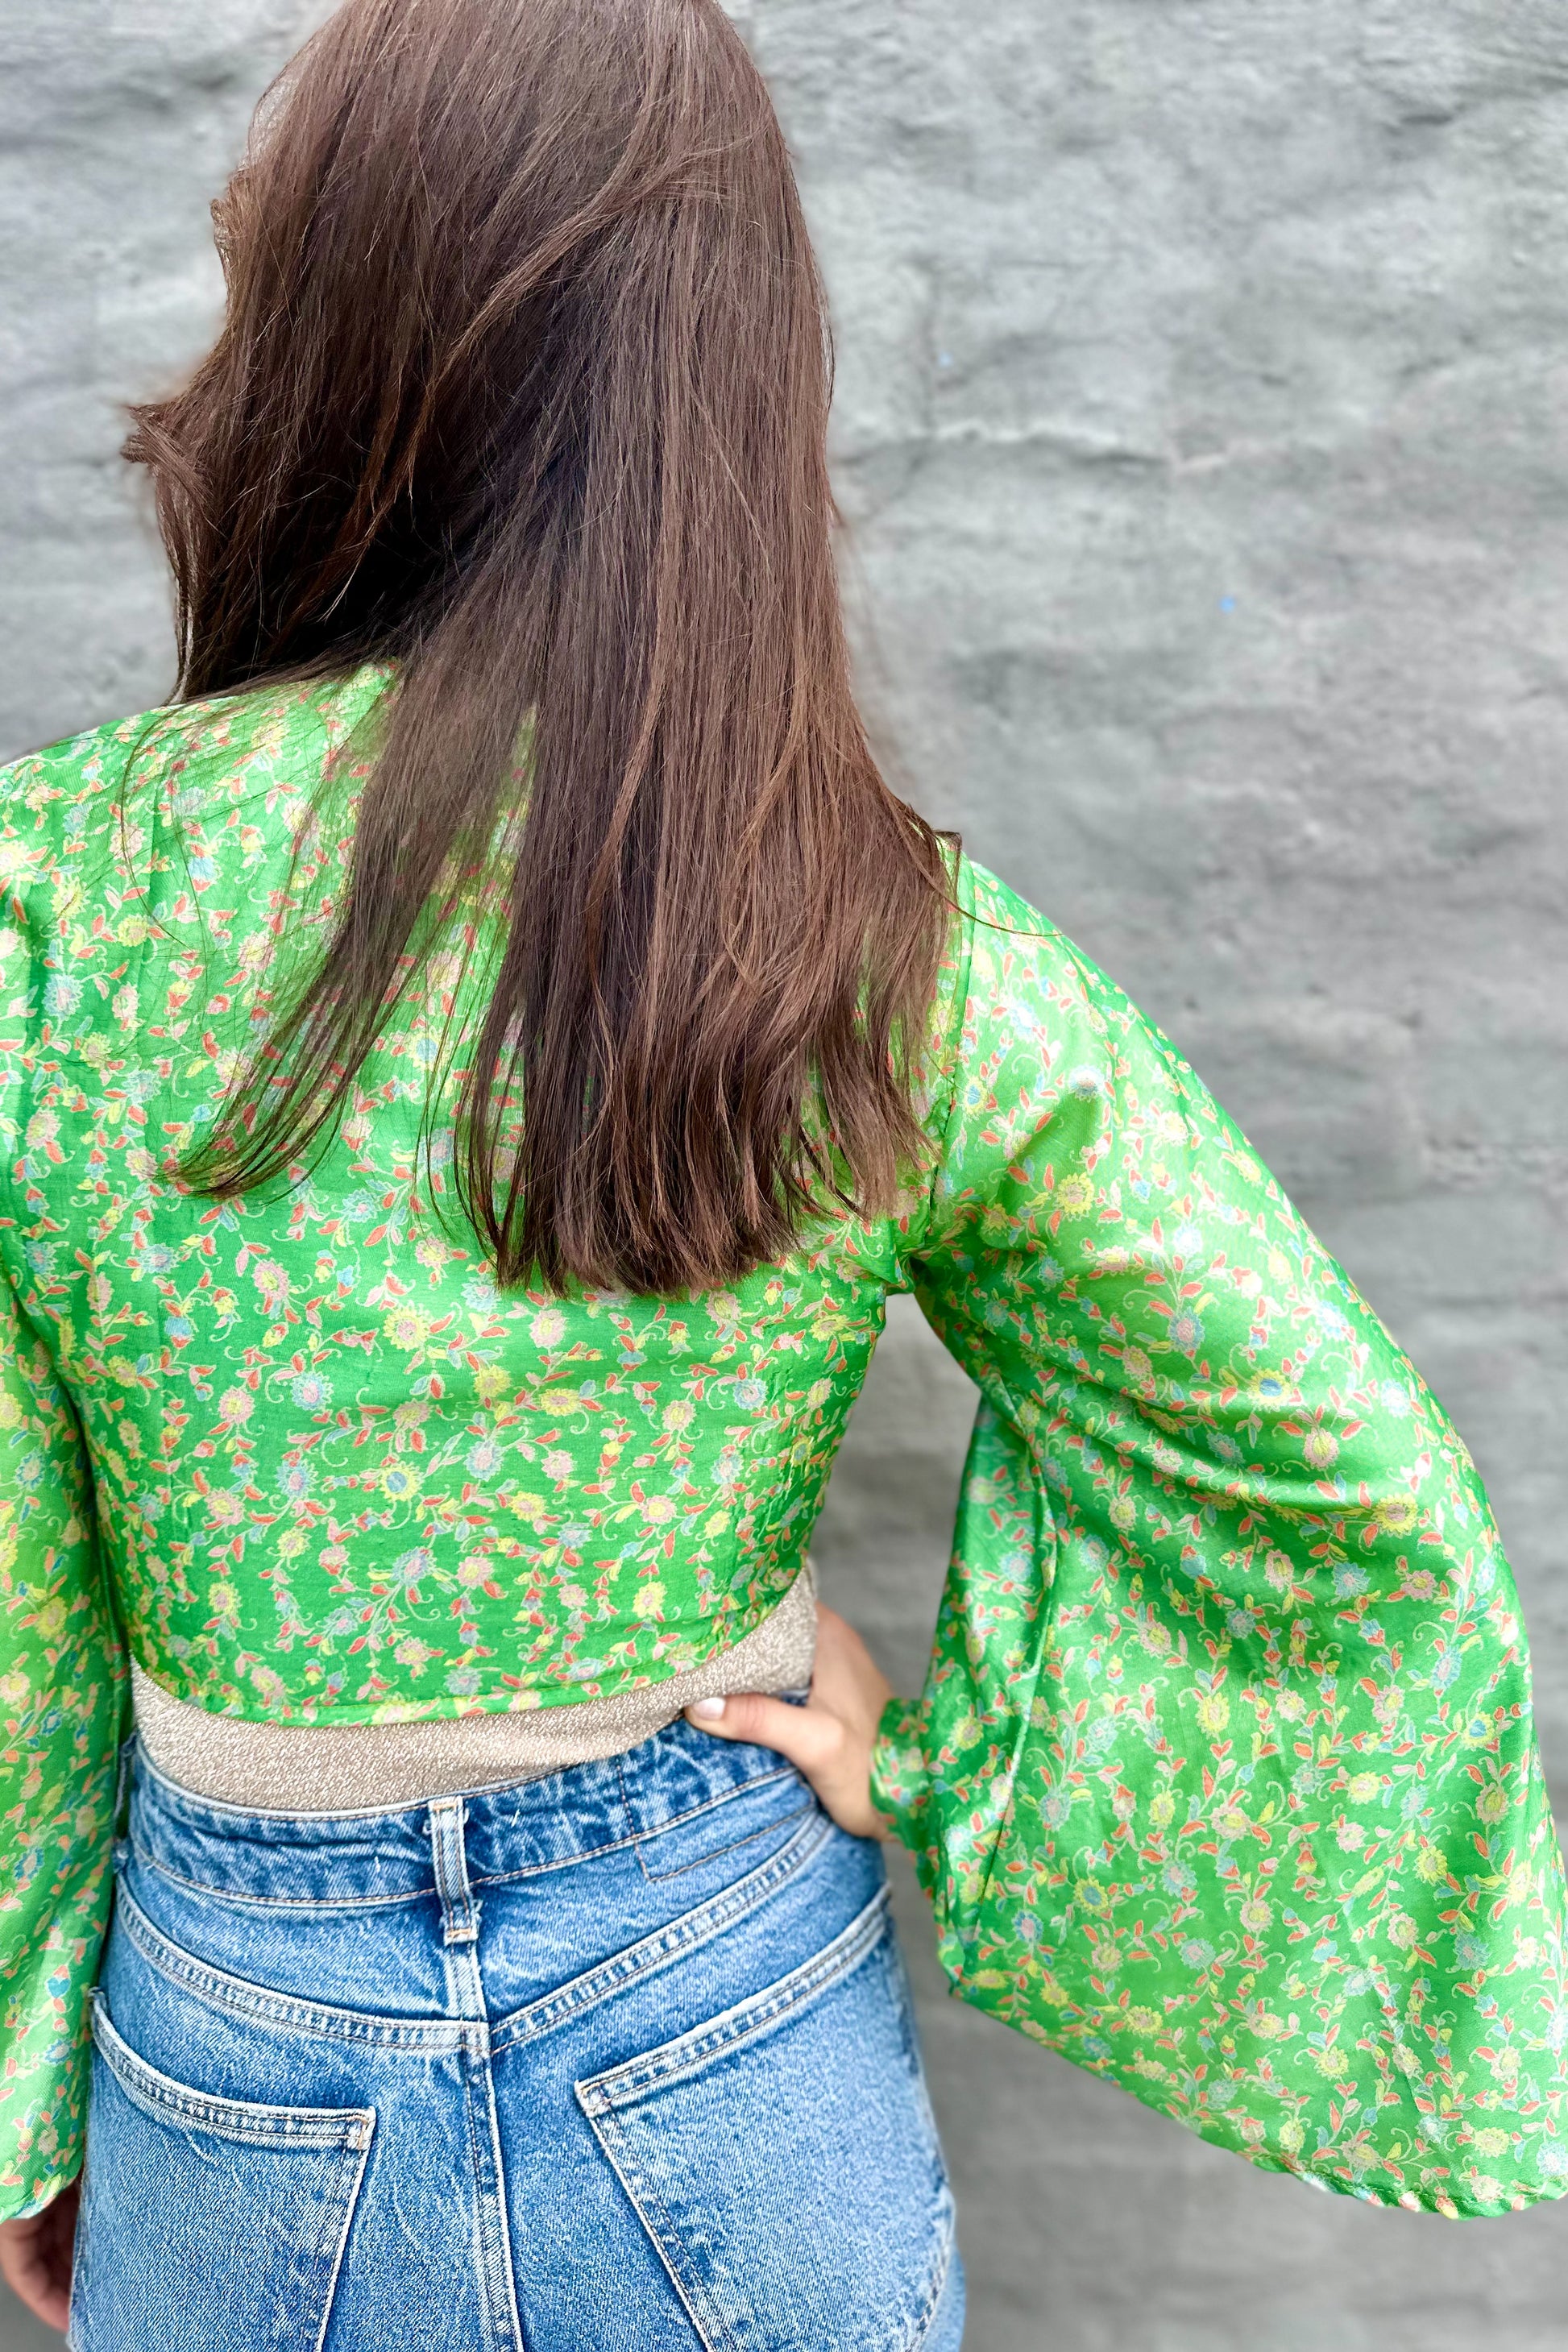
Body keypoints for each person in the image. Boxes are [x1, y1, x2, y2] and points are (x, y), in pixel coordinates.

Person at [1, 0, 1565, 2341]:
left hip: (236, 2041)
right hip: (720, 1998)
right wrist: (953, 1773)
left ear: (318, 329)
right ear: (729, 381)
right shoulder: (860, 924)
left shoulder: (59, 901)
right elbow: (1346, 1493)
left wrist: (28, 2087)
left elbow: (13, 1584)